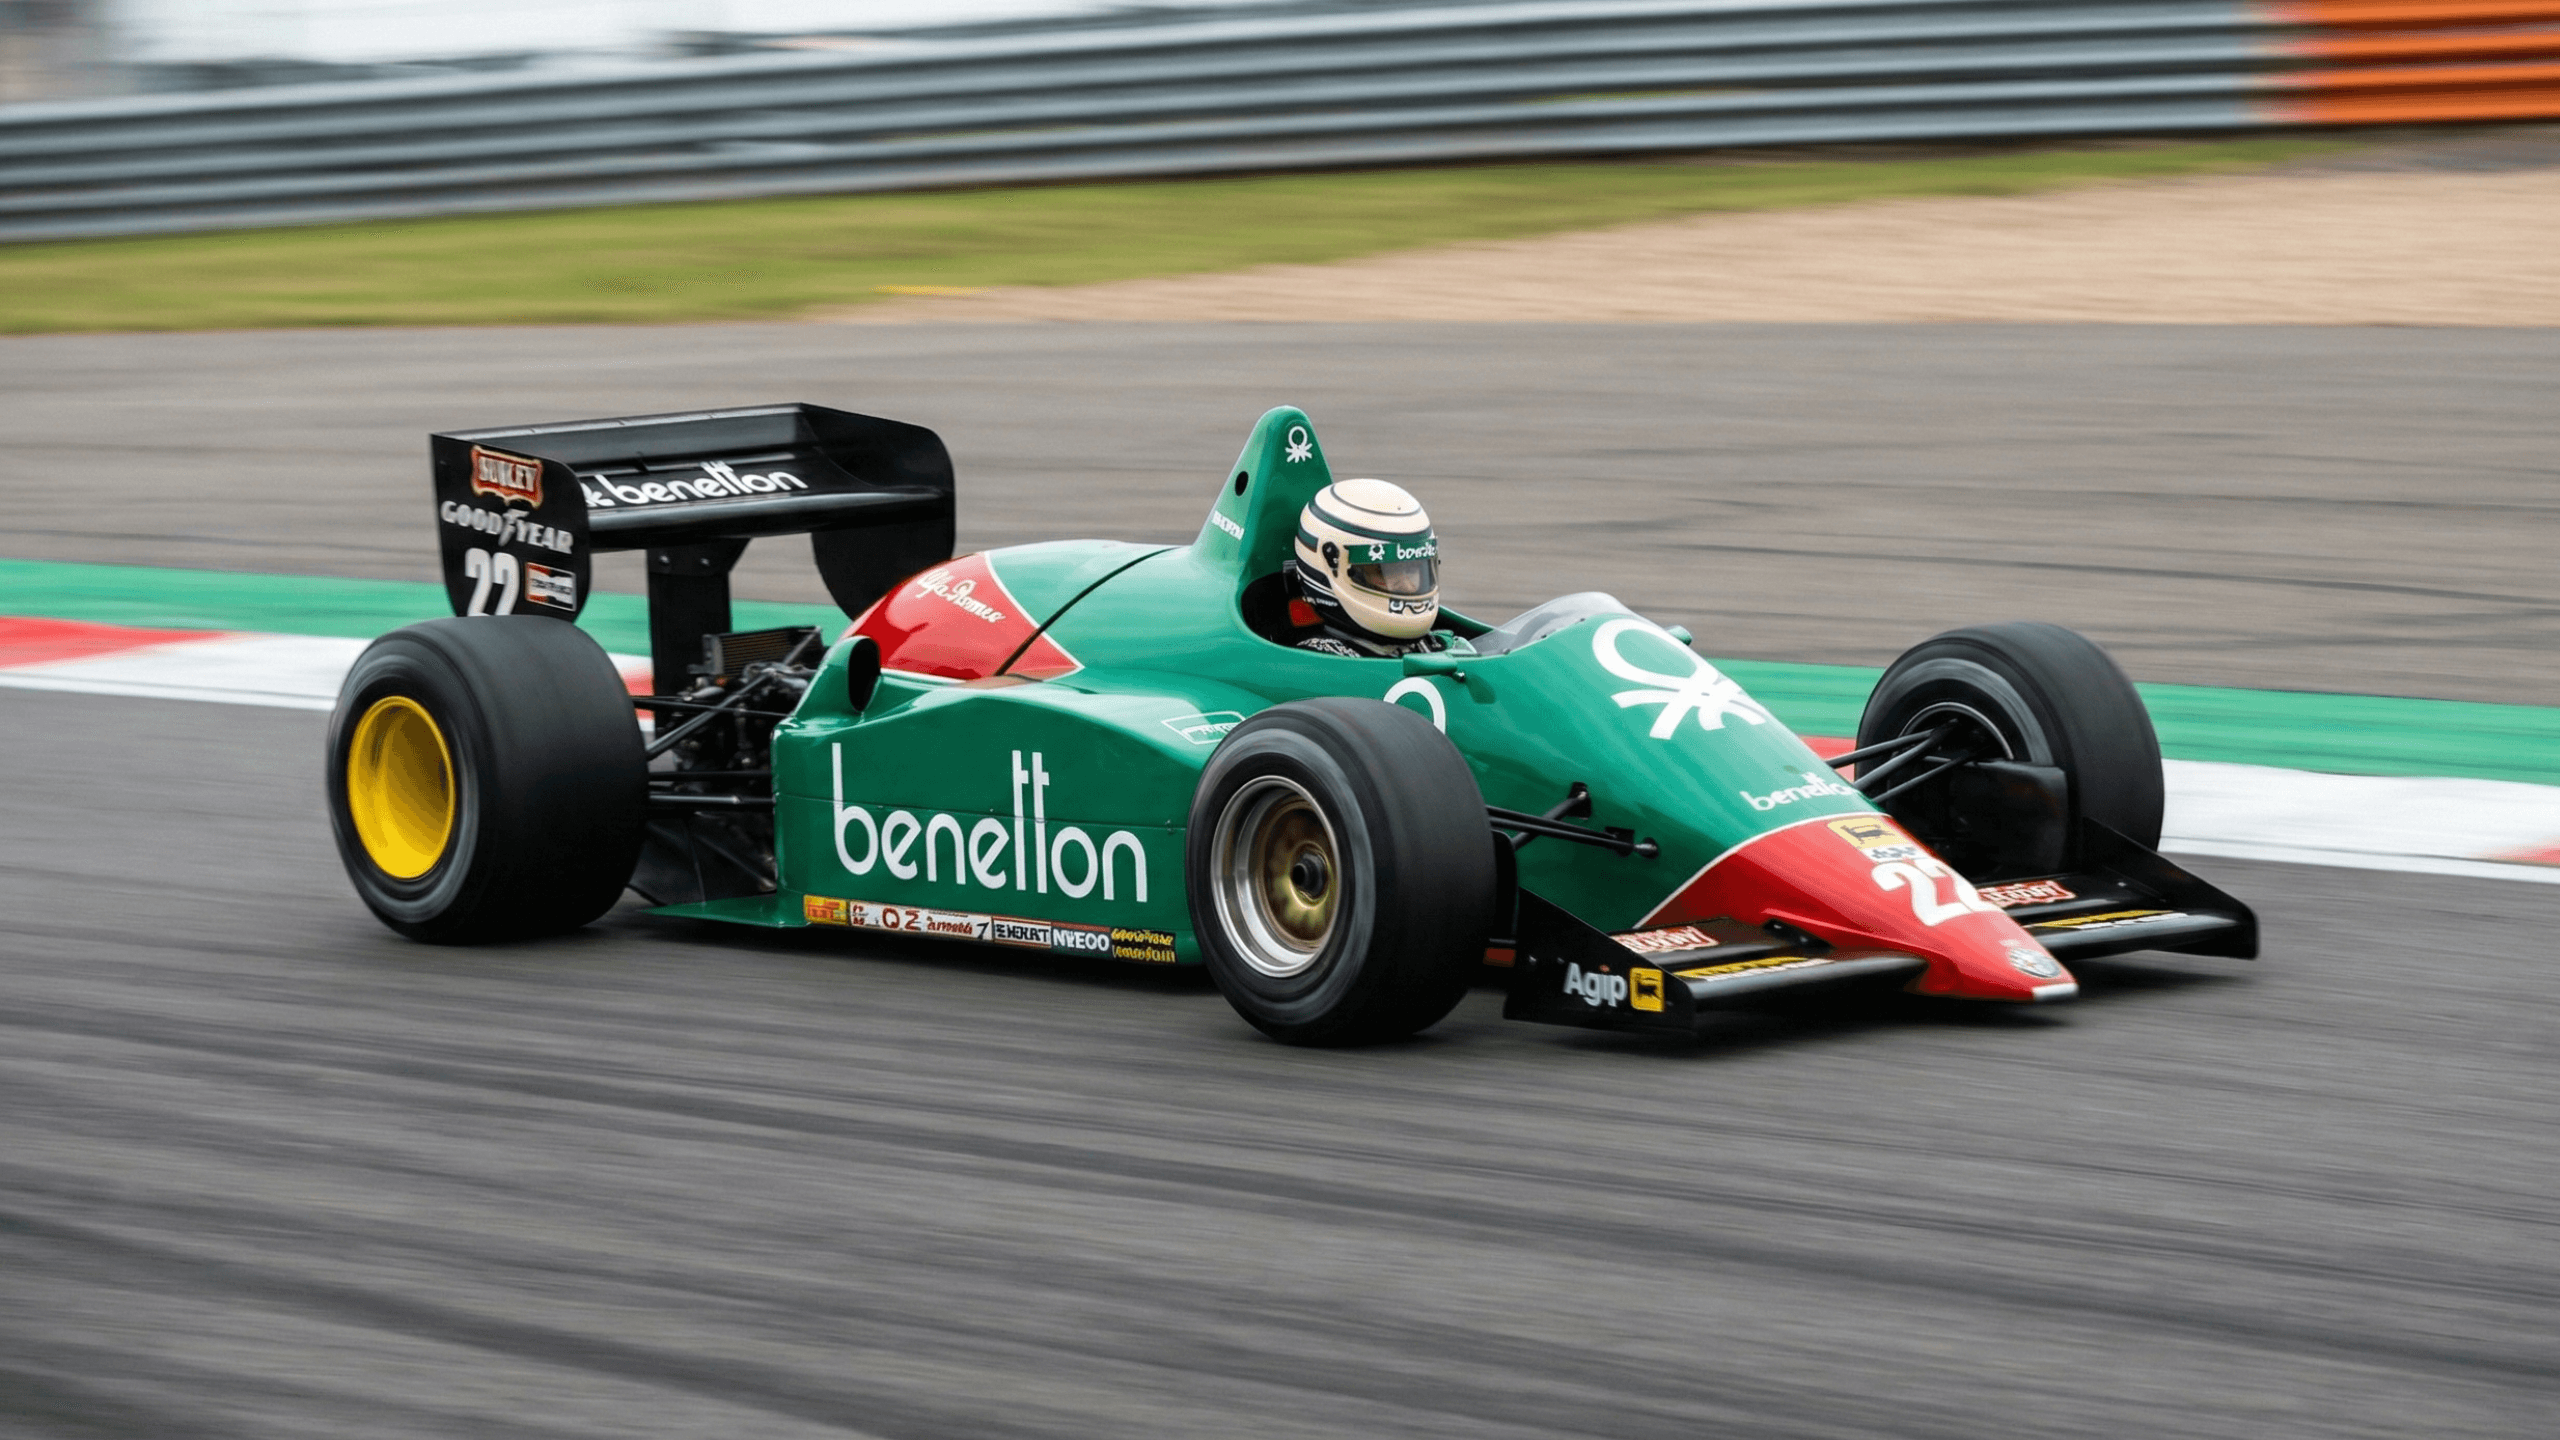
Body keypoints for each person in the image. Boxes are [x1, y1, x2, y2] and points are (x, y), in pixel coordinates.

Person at [1283, 479, 1449, 658]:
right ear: (1331, 564)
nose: (1408, 586)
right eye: (1383, 572)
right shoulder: (1313, 663)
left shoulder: (1439, 645)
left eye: (1411, 570)